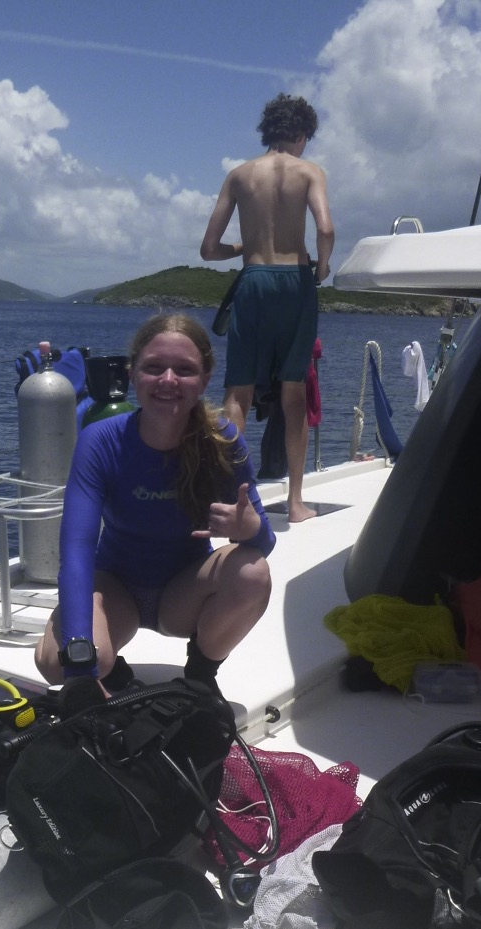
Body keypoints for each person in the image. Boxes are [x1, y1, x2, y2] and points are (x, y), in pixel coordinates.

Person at [35, 312, 274, 693]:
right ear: (133, 375)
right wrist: (81, 662)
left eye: (184, 369)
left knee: (252, 572)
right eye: (154, 367)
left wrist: (250, 528)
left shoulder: (223, 440)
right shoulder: (100, 440)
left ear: (205, 379)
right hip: (115, 589)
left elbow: (264, 542)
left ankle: (200, 676)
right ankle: (112, 672)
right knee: (55, 663)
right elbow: (76, 551)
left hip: (184, 593)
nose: (168, 379)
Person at [200, 92, 334, 523]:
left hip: (254, 280)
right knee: (294, 391)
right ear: (302, 134)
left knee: (237, 392)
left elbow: (209, 249)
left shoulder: (240, 175)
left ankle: (233, 499)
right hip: (296, 281)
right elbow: (325, 229)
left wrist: (246, 248)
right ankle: (295, 504)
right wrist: (322, 268)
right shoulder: (309, 172)